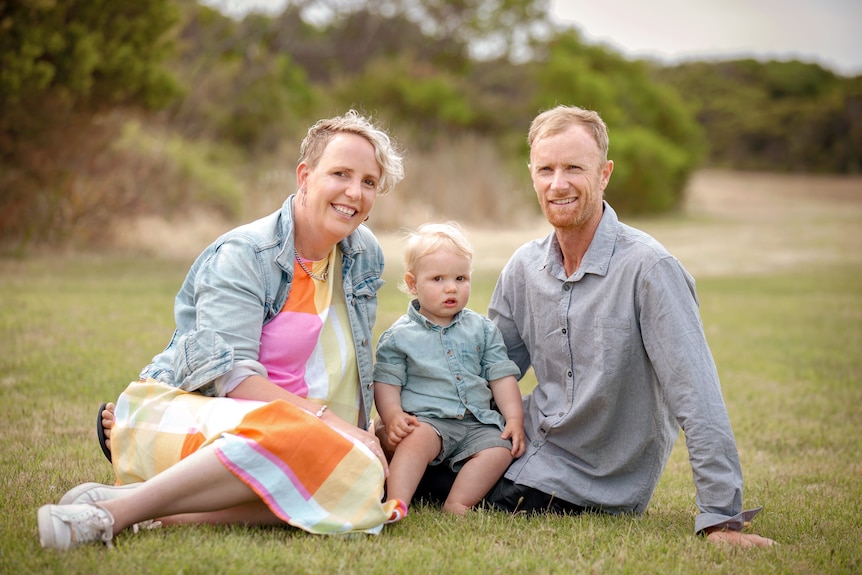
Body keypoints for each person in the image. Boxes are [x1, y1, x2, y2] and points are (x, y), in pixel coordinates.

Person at [392, 105, 775, 547]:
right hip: (518, 447)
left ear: (604, 174)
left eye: (574, 168)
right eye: (546, 169)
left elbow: (698, 397)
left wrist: (722, 519)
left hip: (585, 480)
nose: (558, 184)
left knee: (414, 480)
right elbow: (484, 377)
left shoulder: (650, 270)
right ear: (532, 175)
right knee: (401, 456)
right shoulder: (523, 267)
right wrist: (403, 421)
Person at [38, 110, 408, 550]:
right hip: (193, 413)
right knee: (300, 434)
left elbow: (347, 360)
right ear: (305, 176)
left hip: (299, 432)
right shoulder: (245, 253)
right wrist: (333, 424)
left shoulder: (362, 254)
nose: (354, 193)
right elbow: (232, 380)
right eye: (341, 174)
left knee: (364, 474)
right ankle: (109, 516)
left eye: (368, 182)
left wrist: (366, 429)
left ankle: (156, 512)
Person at [373, 223, 525, 515]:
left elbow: (500, 375)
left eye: (460, 277)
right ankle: (395, 502)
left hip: (475, 422)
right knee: (414, 443)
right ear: (413, 283)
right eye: (438, 278)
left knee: (499, 450)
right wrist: (393, 416)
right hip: (429, 422)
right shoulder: (399, 336)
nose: (451, 287)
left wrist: (514, 419)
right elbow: (387, 381)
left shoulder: (482, 329)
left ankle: (458, 502)